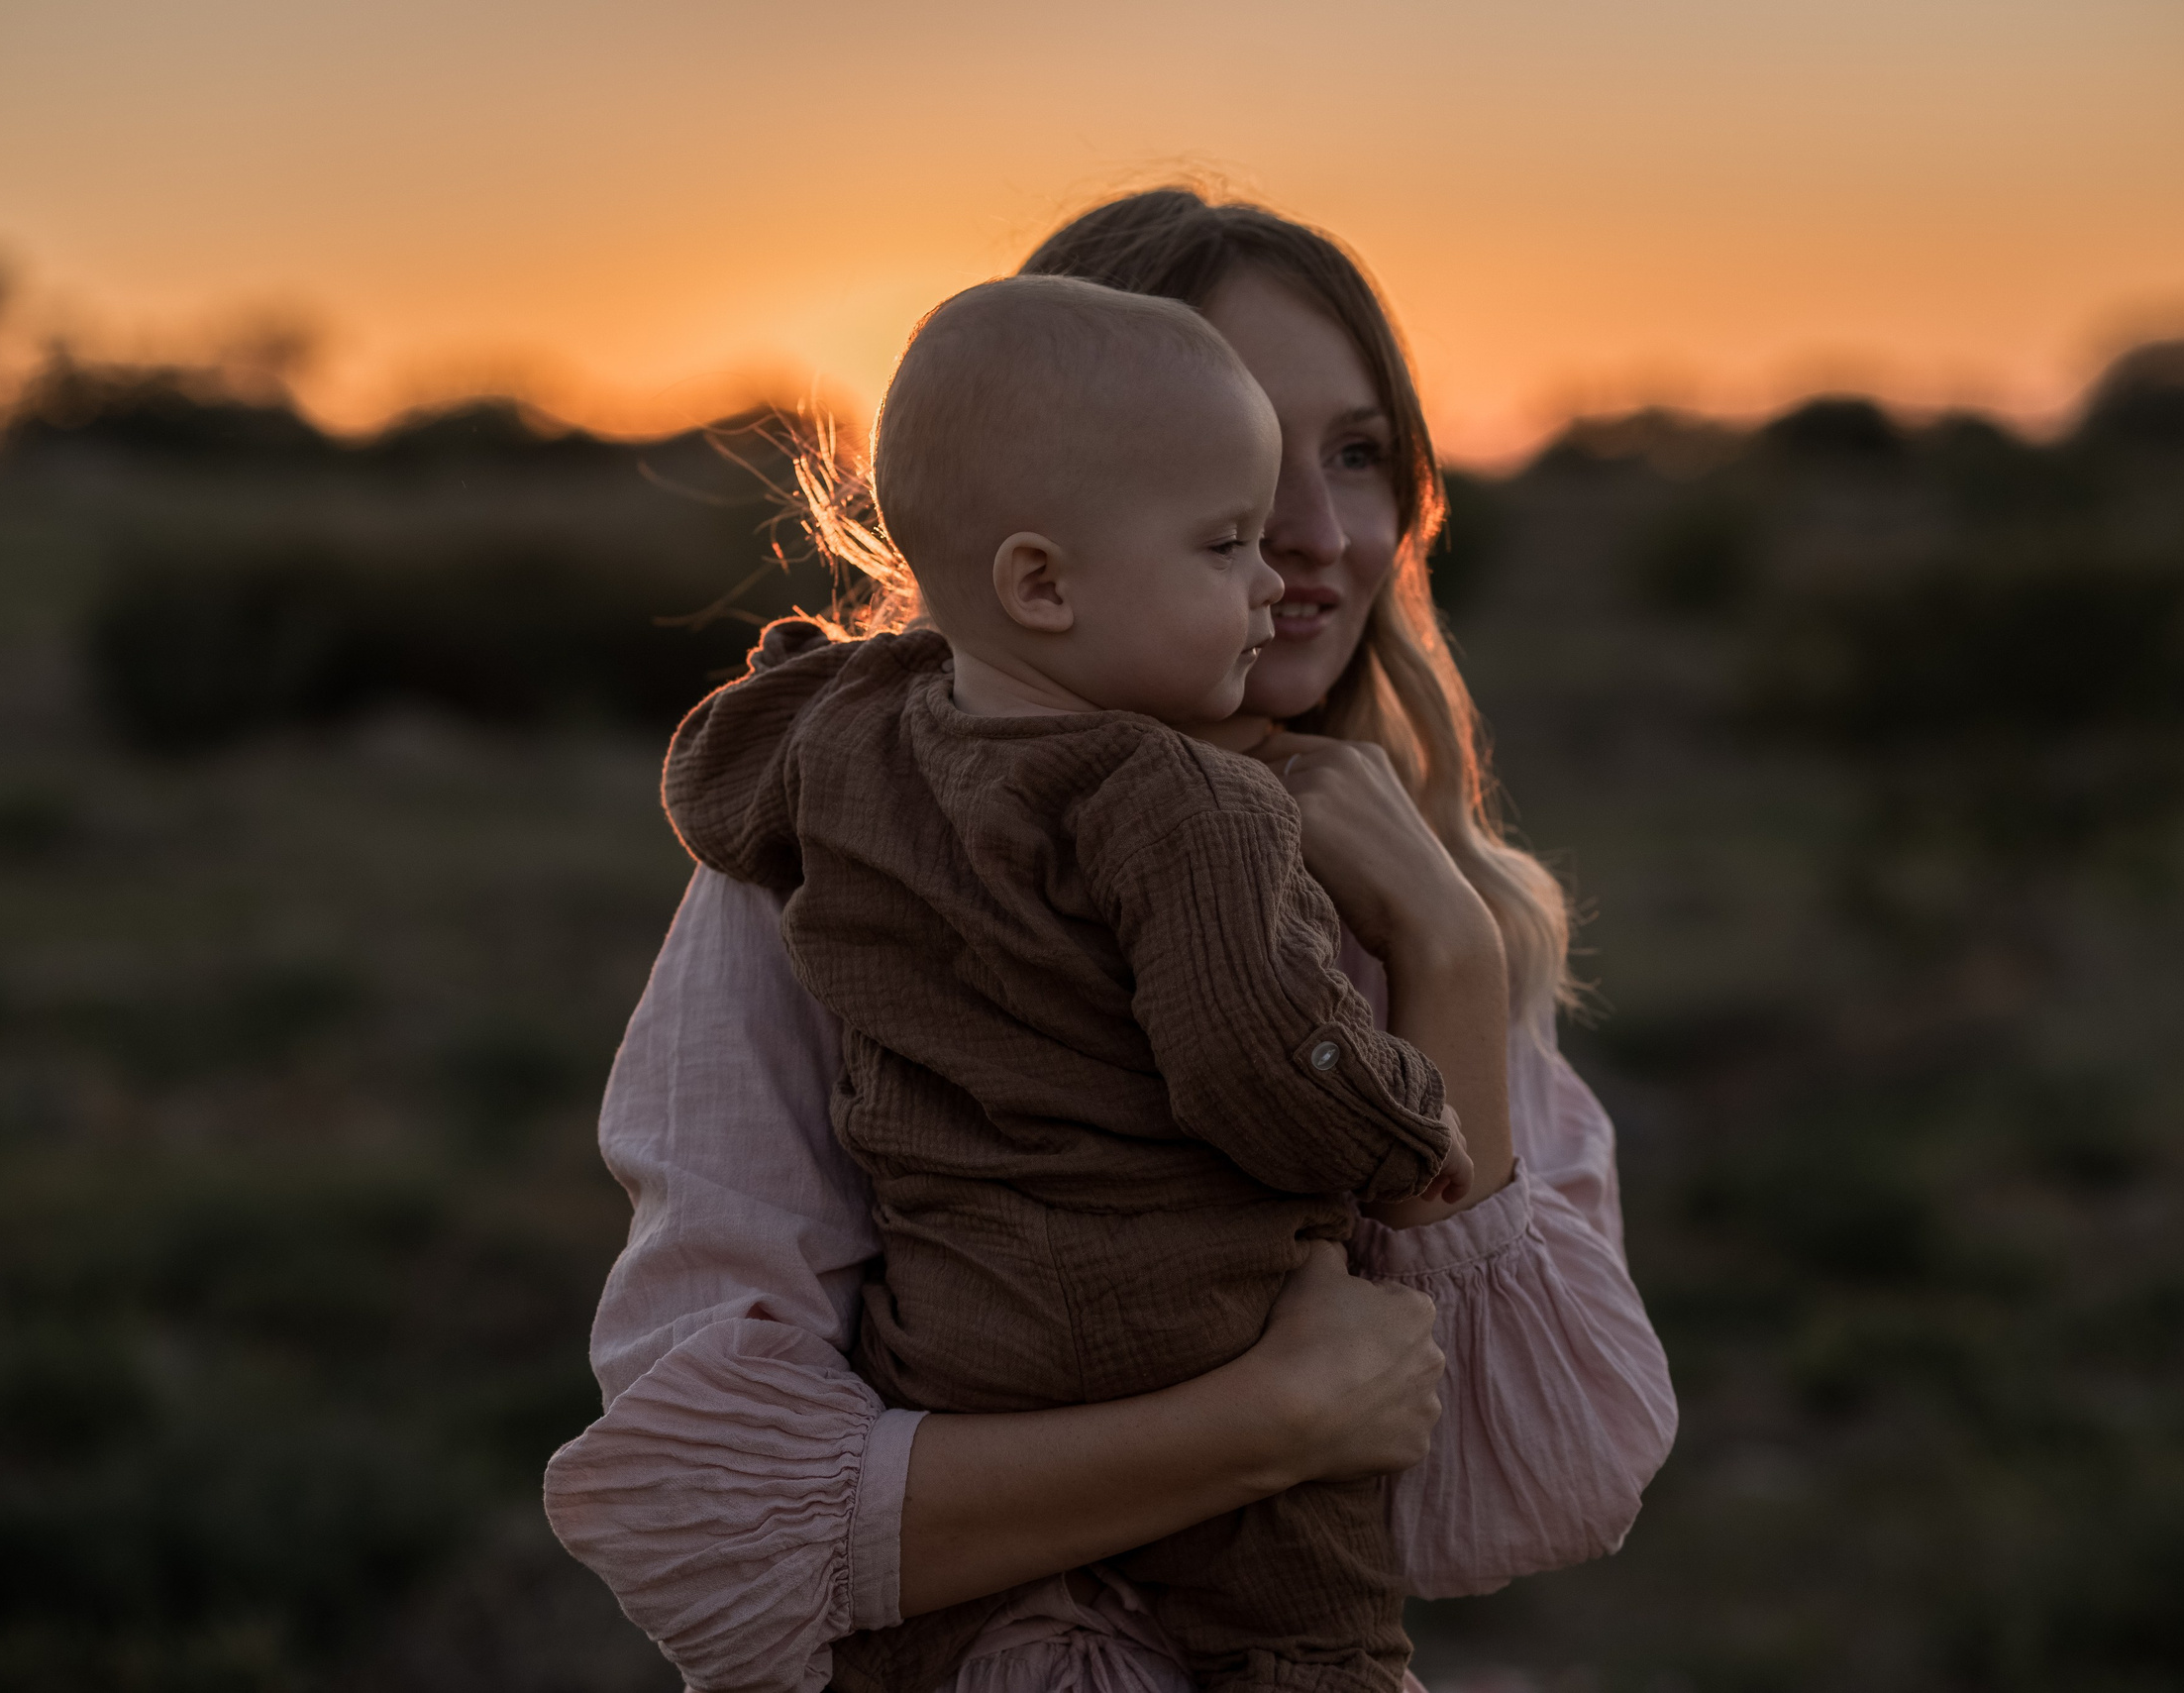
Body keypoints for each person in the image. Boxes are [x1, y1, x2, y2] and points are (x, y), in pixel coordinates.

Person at [544, 188, 1678, 1693]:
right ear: (1043, 527)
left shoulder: (1430, 880)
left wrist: (1448, 952)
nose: (1322, 535)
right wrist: (1259, 1423)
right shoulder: (841, 866)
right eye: (1246, 464)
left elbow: (1521, 1490)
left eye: (1358, 452)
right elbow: (710, 1536)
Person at [666, 274, 1476, 1693]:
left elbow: (711, 775)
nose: (1283, 570)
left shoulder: (852, 735)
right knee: (1309, 1610)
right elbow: (1257, 1056)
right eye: (1226, 538)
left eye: (1358, 454)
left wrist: (802, 677)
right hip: (1179, 1312)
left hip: (951, 1345)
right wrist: (1404, 1133)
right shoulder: (1184, 804)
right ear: (1043, 579)